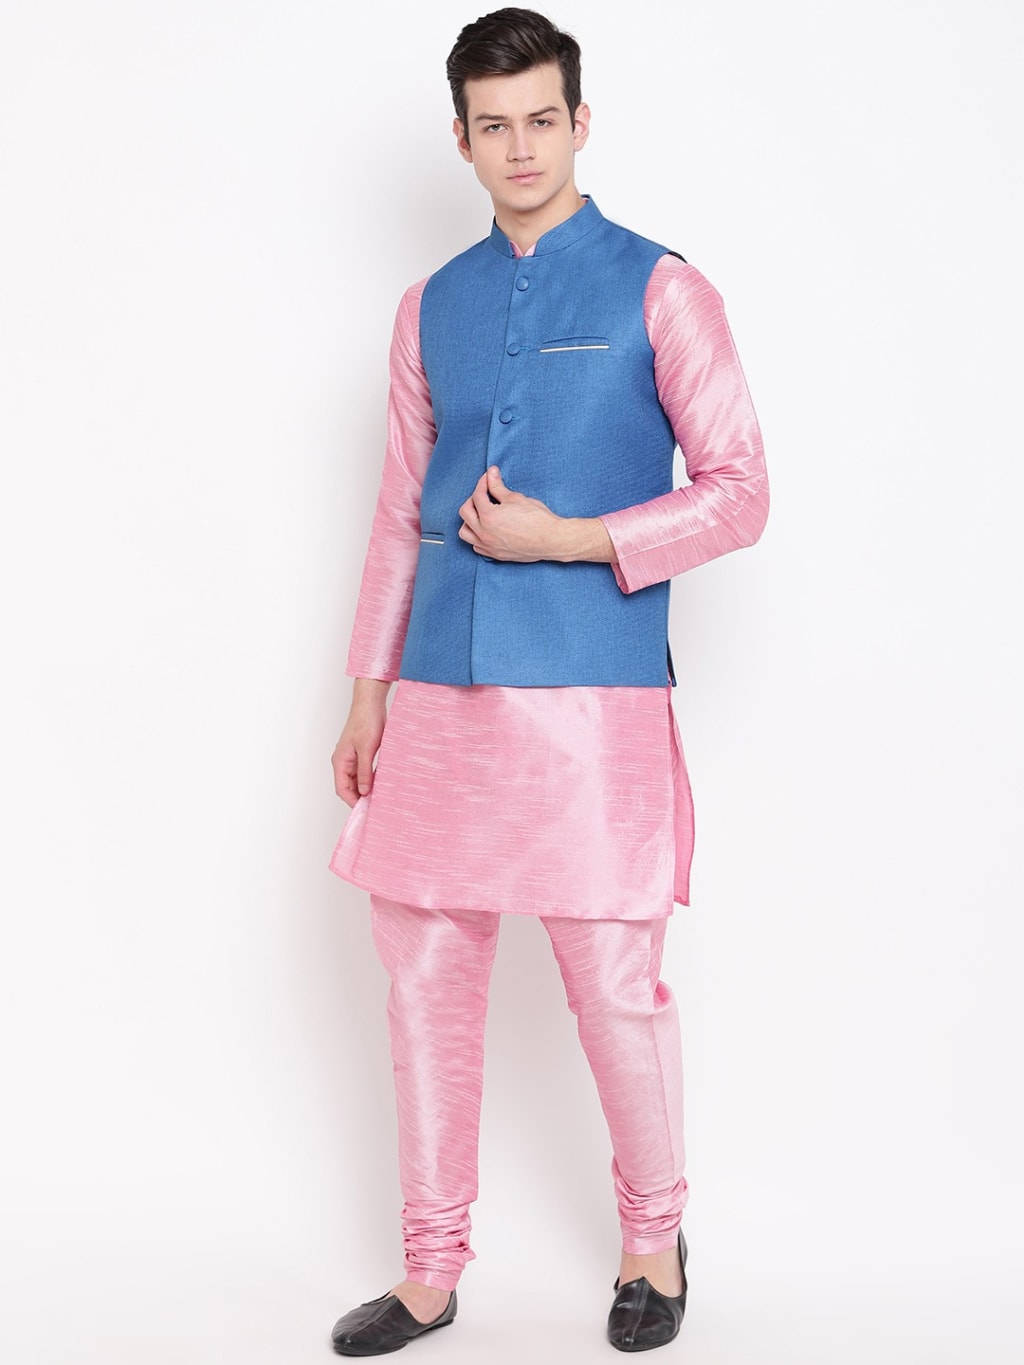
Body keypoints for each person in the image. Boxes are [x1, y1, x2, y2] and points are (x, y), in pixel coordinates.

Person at [327, 7, 768, 1355]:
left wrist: (571, 539)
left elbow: (742, 492)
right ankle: (428, 1270)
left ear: (582, 122)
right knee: (423, 979)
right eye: (493, 125)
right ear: (461, 140)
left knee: (612, 983)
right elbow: (401, 510)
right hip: (438, 695)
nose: (520, 147)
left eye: (541, 119)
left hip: (593, 701)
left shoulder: (662, 289)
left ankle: (654, 1241)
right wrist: (366, 690)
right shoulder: (429, 307)